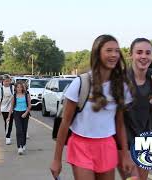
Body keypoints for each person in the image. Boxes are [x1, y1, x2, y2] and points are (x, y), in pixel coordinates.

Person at [50, 35, 134, 180]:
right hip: (80, 145)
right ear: (97, 53)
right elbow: (65, 123)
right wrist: (57, 159)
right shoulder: (80, 83)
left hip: (107, 146)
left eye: (117, 51)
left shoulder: (122, 86)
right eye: (109, 50)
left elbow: (120, 125)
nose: (114, 54)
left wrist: (125, 155)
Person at [118, 38, 152, 180]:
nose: (144, 56)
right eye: (139, 52)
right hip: (125, 141)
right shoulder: (121, 78)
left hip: (147, 140)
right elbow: (116, 118)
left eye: (148, 53)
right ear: (131, 55)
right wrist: (123, 151)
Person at [8, 81, 31, 155]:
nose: (19, 88)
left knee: (24, 130)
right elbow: (11, 107)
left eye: (21, 87)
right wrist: (8, 117)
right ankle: (19, 147)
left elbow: (30, 105)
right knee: (19, 130)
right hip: (16, 113)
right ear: (15, 88)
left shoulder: (26, 95)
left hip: (25, 113)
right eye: (18, 87)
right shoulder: (14, 96)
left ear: (23, 88)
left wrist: (26, 113)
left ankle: (23, 144)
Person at [0, 74, 15, 145]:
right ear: (3, 81)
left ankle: (8, 135)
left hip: (13, 109)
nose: (6, 82)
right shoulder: (1, 89)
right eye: (5, 81)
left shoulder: (13, 88)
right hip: (4, 109)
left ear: (10, 81)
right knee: (7, 122)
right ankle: (7, 137)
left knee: (11, 122)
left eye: (8, 81)